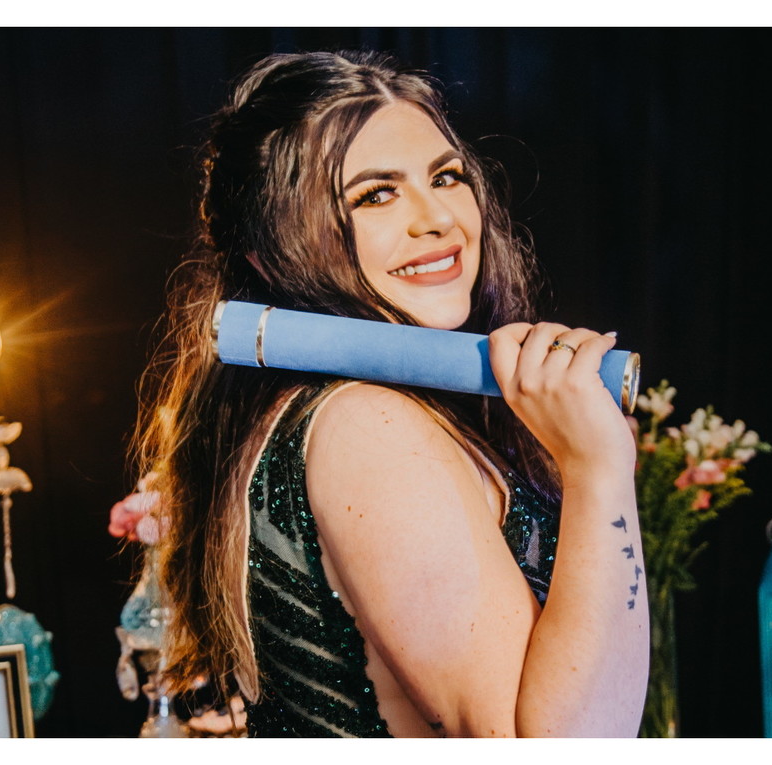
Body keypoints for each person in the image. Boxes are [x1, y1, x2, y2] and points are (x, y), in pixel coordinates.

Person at [135, 50, 648, 737]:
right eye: (375, 195)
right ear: (268, 251)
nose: (437, 218)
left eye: (446, 176)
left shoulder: (336, 412)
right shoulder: (367, 425)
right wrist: (597, 469)